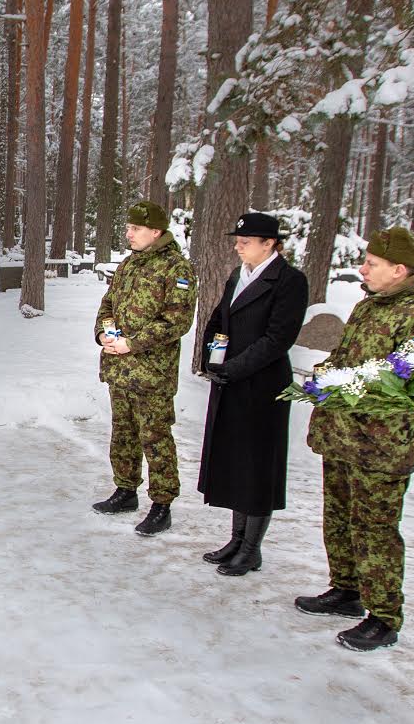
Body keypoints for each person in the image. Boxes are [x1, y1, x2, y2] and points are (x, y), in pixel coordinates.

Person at [297, 226, 414, 651]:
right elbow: (350, 359)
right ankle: (346, 589)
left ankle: (384, 616)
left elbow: (399, 379)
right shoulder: (370, 307)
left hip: (382, 445)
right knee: (340, 518)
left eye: (372, 264)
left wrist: (337, 380)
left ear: (399, 269)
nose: (363, 268)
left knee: (375, 530)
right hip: (344, 436)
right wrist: (327, 373)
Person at [196, 212, 308, 576]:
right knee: (234, 463)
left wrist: (234, 368)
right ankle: (236, 539)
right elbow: (218, 319)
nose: (237, 246)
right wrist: (209, 358)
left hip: (262, 385)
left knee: (258, 468)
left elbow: (278, 339)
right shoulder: (239, 274)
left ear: (269, 244)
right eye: (238, 241)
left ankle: (252, 548)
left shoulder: (289, 281)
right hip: (230, 380)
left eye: (245, 242)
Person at [92, 200, 197, 536]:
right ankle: (125, 491)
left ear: (156, 231)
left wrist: (131, 343)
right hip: (119, 368)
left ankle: (162, 504)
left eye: (135, 229)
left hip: (151, 373)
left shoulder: (176, 268)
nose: (129, 234)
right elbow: (107, 303)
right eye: (128, 228)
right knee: (123, 433)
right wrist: (104, 333)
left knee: (155, 437)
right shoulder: (129, 265)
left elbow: (175, 321)